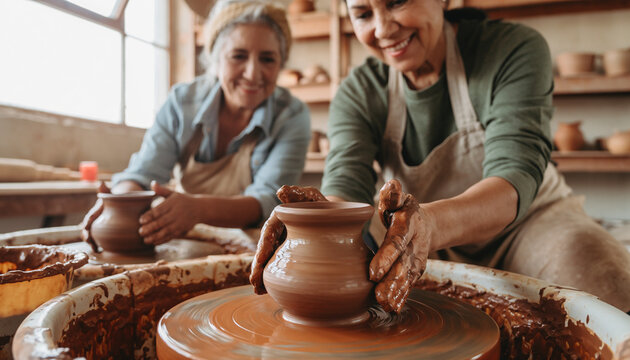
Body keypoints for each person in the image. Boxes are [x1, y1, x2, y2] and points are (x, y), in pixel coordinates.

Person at [251, 0, 630, 313]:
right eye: (364, 13)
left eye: (396, 2)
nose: (382, 30)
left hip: (530, 226)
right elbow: (345, 185)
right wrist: (315, 223)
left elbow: (515, 172)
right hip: (417, 239)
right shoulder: (360, 90)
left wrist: (430, 223)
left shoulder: (512, 49)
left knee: (603, 297)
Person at [81, 0, 310, 250]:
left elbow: (268, 200)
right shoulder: (183, 103)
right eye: (238, 56)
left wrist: (197, 208)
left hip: (256, 247)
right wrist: (117, 200)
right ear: (216, 58)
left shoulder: (292, 115)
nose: (253, 73)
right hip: (189, 239)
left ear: (281, 64)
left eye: (267, 59)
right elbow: (143, 174)